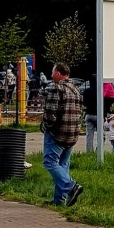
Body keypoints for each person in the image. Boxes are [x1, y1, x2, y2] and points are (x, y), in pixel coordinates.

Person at [42, 62, 83, 206]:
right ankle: (59, 200)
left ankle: (71, 186)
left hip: (57, 133)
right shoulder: (75, 89)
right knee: (63, 164)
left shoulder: (55, 87)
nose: (51, 75)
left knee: (50, 162)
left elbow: (50, 112)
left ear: (58, 73)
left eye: (53, 72)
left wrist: (46, 125)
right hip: (73, 134)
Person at [83, 74, 102, 153]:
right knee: (101, 135)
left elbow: (84, 103)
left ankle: (89, 152)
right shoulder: (100, 90)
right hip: (98, 114)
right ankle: (99, 151)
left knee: (89, 136)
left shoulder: (86, 91)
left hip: (89, 114)